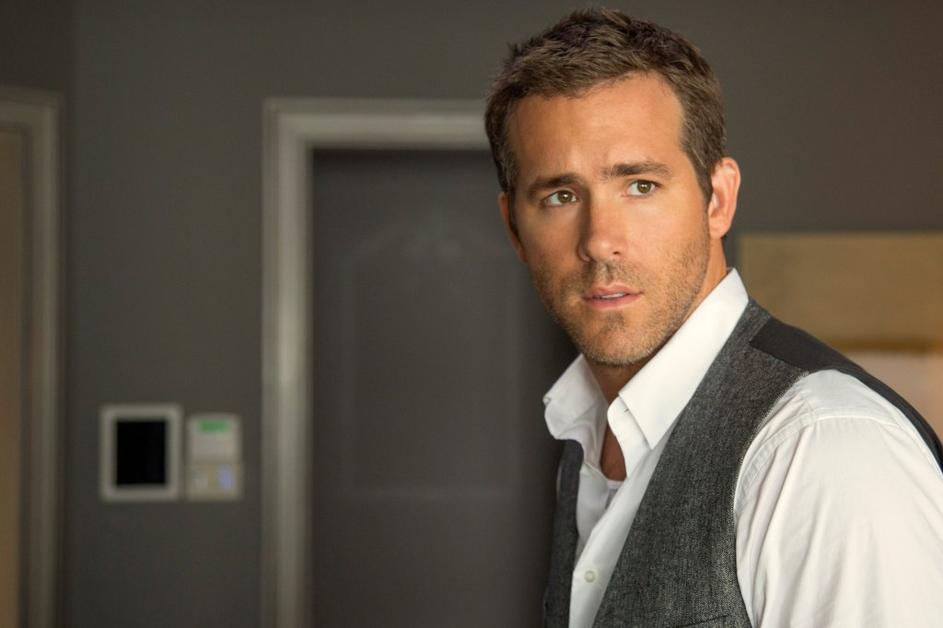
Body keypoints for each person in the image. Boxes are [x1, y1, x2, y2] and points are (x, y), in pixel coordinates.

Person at [483, 8, 943, 628]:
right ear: (514, 227)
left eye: (640, 186)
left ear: (718, 200)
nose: (599, 241)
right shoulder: (587, 437)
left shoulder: (822, 449)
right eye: (560, 196)